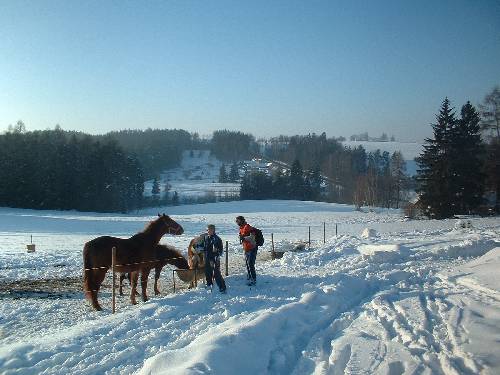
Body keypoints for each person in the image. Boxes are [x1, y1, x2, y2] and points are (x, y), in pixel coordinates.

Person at [200, 224, 226, 293]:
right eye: (207, 229)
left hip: (214, 259)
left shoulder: (217, 239)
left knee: (216, 274)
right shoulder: (206, 237)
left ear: (213, 230)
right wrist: (197, 247)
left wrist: (216, 254)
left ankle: (222, 287)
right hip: (207, 258)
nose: (207, 231)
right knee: (207, 272)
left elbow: (220, 251)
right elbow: (203, 246)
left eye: (208, 230)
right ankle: (209, 284)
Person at [236, 215, 257, 286]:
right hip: (246, 248)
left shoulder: (248, 227)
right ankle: (249, 276)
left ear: (241, 220)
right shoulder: (241, 228)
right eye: (236, 221)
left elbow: (252, 237)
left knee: (251, 264)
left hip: (252, 248)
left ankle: (253, 279)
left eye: (238, 221)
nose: (236, 222)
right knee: (248, 264)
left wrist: (244, 238)